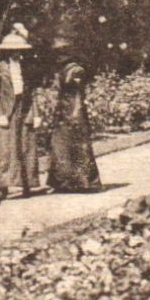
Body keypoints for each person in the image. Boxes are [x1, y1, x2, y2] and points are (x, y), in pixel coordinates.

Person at [46, 31, 102, 192]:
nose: (58, 55)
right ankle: (63, 181)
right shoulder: (62, 69)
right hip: (63, 110)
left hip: (73, 111)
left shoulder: (75, 70)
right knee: (60, 145)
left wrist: (75, 114)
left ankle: (83, 181)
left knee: (77, 145)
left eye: (60, 52)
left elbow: (77, 93)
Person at [0, 30, 40, 197]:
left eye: (19, 50)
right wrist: (0, 114)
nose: (17, 54)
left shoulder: (25, 67)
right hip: (7, 110)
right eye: (14, 51)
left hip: (24, 109)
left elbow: (31, 92)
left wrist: (37, 114)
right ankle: (2, 186)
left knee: (25, 146)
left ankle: (26, 184)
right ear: (7, 51)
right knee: (5, 148)